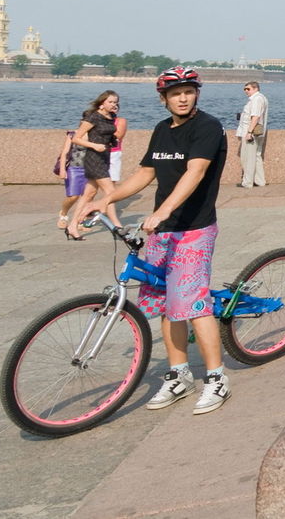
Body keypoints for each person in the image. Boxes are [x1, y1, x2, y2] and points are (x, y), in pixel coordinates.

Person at [71, 67, 232, 414]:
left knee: (191, 302)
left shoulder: (208, 127)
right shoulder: (162, 130)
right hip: (162, 231)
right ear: (164, 99)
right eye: (176, 93)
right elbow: (145, 173)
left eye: (189, 91)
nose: (183, 97)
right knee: (164, 303)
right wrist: (104, 200)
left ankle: (217, 378)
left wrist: (163, 211)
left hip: (194, 227)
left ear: (197, 94)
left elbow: (196, 172)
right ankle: (179, 374)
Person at [67, 91, 123, 232]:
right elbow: (76, 138)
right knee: (110, 191)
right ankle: (117, 225)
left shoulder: (111, 117)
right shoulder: (93, 117)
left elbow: (113, 133)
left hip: (105, 156)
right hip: (94, 157)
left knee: (89, 194)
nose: (113, 104)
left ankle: (73, 225)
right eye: (110, 102)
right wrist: (94, 145)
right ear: (102, 103)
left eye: (116, 102)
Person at [236, 81, 269, 188]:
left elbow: (255, 116)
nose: (246, 91)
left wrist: (249, 132)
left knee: (247, 158)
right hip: (258, 131)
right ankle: (260, 181)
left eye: (248, 89)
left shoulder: (256, 99)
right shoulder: (261, 98)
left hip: (251, 132)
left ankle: (247, 182)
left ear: (256, 89)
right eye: (244, 89)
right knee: (256, 156)